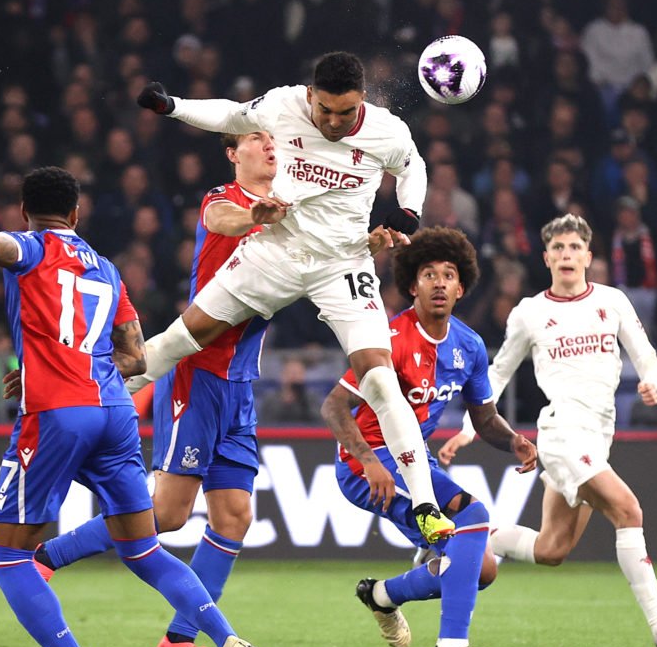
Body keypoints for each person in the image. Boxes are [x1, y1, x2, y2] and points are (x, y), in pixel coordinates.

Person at [0, 165, 265, 647]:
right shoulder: (107, 269)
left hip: (58, 414)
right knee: (144, 549)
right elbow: (133, 356)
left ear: (23, 212)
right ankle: (230, 641)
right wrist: (75, 360)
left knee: (6, 557)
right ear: (78, 214)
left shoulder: (32, 249)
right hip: (114, 410)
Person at [128, 50, 454, 544]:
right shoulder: (283, 106)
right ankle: (81, 398)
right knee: (180, 339)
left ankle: (426, 505)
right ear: (310, 96)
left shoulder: (386, 131)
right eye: (325, 110)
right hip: (277, 250)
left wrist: (407, 214)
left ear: (361, 100)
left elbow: (414, 168)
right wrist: (172, 106)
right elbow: (232, 114)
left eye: (346, 112)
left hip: (342, 263)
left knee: (381, 379)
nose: (334, 121)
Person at [28, 130, 281, 647]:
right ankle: (47, 559)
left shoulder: (288, 207)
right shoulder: (224, 200)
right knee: (165, 514)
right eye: (257, 139)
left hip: (239, 381)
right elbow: (224, 223)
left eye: (275, 139)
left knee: (234, 517)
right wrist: (261, 216)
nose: (271, 146)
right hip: (199, 373)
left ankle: (178, 646)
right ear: (233, 153)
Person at [443, 214, 657, 647]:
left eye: (574, 247)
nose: (567, 255)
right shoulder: (530, 313)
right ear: (546, 258)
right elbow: (497, 374)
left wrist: (653, 382)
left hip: (598, 436)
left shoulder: (613, 301)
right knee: (628, 511)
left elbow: (645, 353)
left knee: (552, 549)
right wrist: (470, 429)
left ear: (588, 256)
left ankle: (465, 540)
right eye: (558, 248)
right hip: (562, 434)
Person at [322, 228, 537, 647]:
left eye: (448, 275)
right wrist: (366, 461)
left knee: (481, 571)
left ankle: (380, 595)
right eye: (428, 274)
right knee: (473, 517)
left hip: (411, 464)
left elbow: (483, 417)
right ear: (412, 285)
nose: (439, 282)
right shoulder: (390, 340)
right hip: (367, 465)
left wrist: (513, 440)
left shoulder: (469, 345)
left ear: (461, 287)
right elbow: (335, 405)